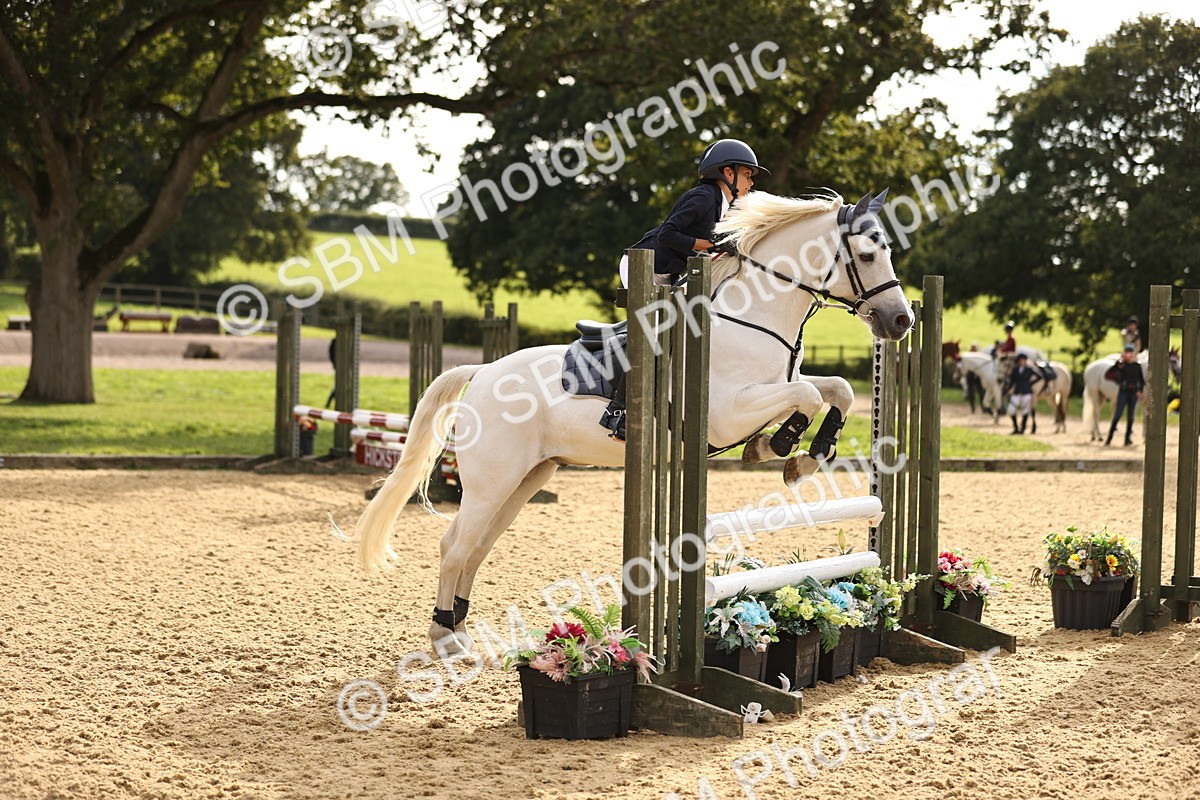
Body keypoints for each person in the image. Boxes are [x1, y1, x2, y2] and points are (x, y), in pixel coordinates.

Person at [602, 139, 769, 440]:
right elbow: (669, 234)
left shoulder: (726, 205)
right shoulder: (704, 196)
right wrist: (714, 245)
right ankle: (619, 411)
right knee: (655, 334)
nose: (751, 181)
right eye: (747, 173)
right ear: (727, 172)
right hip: (644, 265)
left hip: (668, 271)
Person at [1105, 344, 1145, 446]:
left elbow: (1141, 381)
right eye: (1127, 353)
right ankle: (1109, 438)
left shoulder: (1137, 366)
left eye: (1130, 353)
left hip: (1133, 393)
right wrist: (1118, 380)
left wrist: (1139, 390)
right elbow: (1108, 374)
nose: (1129, 355)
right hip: (1123, 392)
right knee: (1117, 415)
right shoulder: (1121, 365)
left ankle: (1127, 439)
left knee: (1131, 417)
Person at [1003, 352, 1042, 434]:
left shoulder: (1029, 369)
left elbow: (1039, 376)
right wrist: (1007, 389)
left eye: (1023, 360)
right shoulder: (1015, 370)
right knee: (1011, 410)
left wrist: (1030, 383)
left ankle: (1023, 428)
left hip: (1026, 392)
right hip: (1017, 392)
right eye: (1020, 360)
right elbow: (1012, 381)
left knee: (1025, 411)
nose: (1021, 362)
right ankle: (1016, 427)